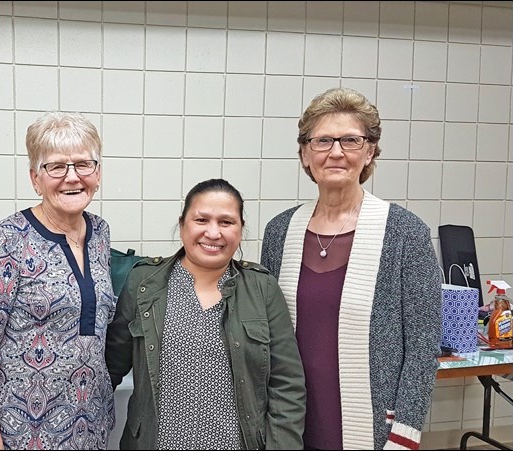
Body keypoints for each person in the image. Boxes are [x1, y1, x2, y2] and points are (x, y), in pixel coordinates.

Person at [260, 87, 442, 450]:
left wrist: (404, 435)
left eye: (351, 140)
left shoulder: (405, 233)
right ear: (305, 154)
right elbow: (267, 334)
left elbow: (423, 346)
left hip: (372, 426)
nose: (336, 152)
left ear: (370, 151)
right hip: (290, 421)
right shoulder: (280, 231)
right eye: (323, 140)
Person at [106, 178, 306, 450]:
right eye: (201, 220)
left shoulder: (262, 288)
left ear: (241, 229)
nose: (213, 233)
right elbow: (109, 369)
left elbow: (287, 385)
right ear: (182, 225)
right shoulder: (143, 283)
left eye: (226, 222)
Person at [0, 112, 115, 450]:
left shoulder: (100, 233)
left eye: (83, 165)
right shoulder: (8, 238)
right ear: (36, 178)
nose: (72, 177)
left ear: (98, 173)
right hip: (24, 431)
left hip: (91, 423)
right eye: (57, 167)